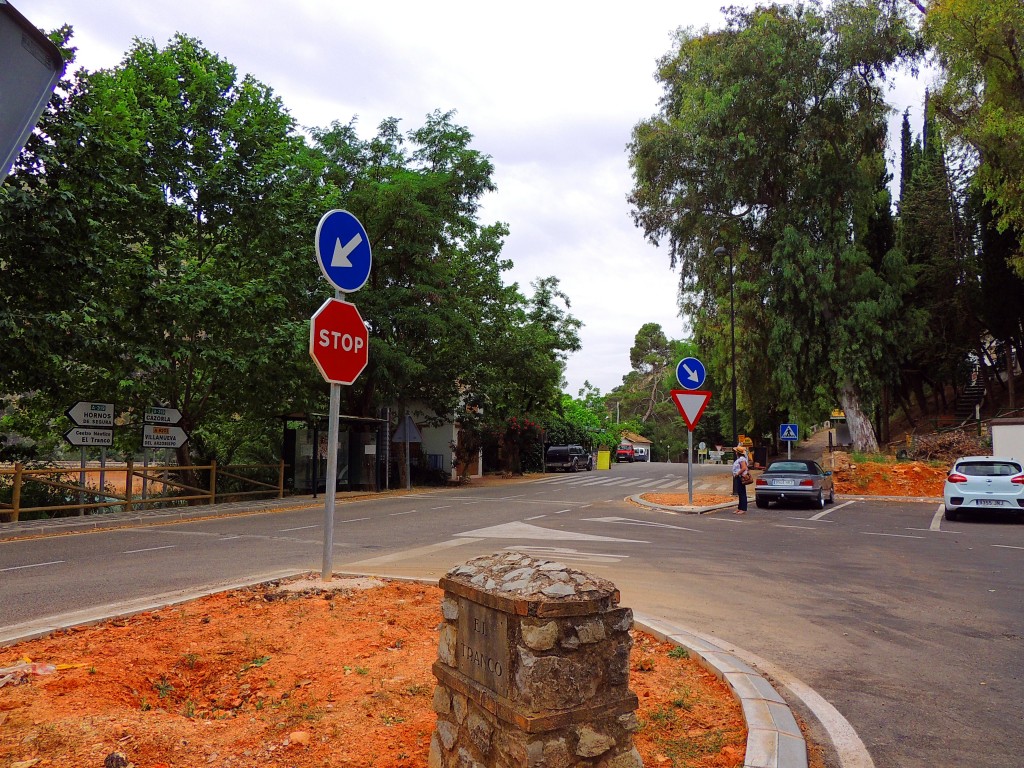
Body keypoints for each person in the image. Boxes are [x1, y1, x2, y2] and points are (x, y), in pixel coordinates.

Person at [731, 446, 749, 515]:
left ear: (737, 453)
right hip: (739, 476)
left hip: (740, 477)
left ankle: (743, 508)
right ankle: (740, 508)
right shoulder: (741, 459)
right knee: (740, 492)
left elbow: (744, 468)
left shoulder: (741, 459)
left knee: (742, 493)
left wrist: (737, 474)